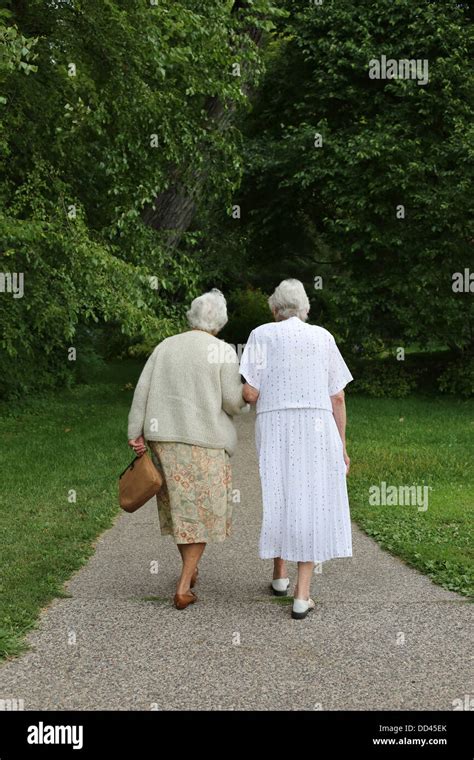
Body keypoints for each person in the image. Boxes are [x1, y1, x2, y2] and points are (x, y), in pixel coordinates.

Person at [240, 279, 353, 619]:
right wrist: (343, 446)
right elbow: (338, 396)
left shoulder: (261, 335)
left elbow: (250, 394)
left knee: (279, 494)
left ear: (275, 309)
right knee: (311, 500)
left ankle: (279, 575)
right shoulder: (323, 337)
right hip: (317, 427)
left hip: (275, 425)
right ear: (305, 309)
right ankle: (302, 596)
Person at [128, 289, 247, 610]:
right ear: (220, 322)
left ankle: (190, 571)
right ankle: (183, 585)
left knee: (181, 510)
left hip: (163, 439)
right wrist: (247, 395)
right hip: (204, 442)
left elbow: (142, 391)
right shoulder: (222, 351)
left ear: (191, 316)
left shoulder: (166, 346)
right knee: (202, 513)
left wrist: (134, 431)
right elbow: (233, 403)